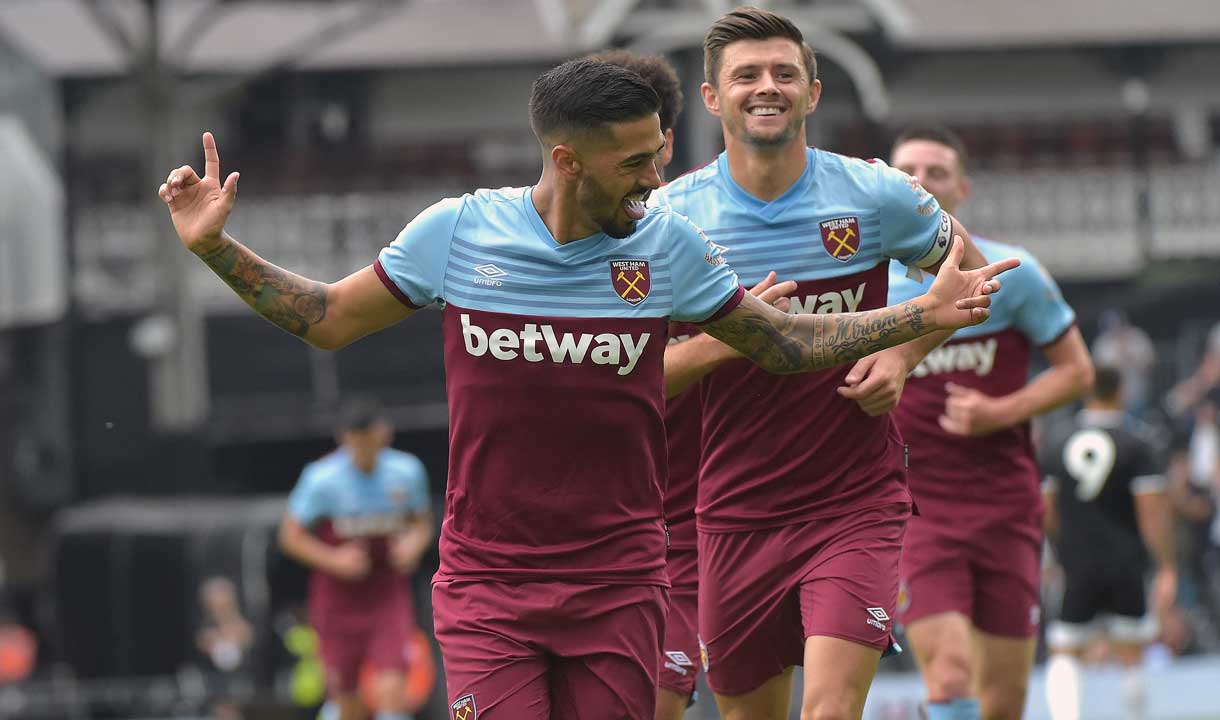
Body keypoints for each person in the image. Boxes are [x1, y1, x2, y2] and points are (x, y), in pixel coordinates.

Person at [157, 57, 1013, 719]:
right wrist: (214, 250)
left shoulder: (666, 247)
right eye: (635, 163)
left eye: (660, 156)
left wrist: (913, 323)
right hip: (489, 585)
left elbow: (783, 344)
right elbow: (330, 316)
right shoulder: (458, 232)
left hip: (621, 580)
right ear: (568, 161)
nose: (654, 179)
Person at [653, 9, 1007, 720]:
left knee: (830, 711)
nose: (767, 87)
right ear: (713, 98)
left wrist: (902, 356)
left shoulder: (873, 194)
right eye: (746, 75)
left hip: (853, 501)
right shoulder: (667, 221)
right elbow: (635, 376)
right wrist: (733, 335)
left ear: (812, 94)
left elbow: (968, 278)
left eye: (785, 73)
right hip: (730, 511)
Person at [884, 125, 1094, 720]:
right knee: (949, 675)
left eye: (937, 172)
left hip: (1006, 505)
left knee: (1002, 702)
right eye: (907, 173)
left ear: (962, 189)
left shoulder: (1013, 272)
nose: (921, 183)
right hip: (916, 512)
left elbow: (1077, 373)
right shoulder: (868, 286)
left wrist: (1001, 412)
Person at [278, 400, 433, 720]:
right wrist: (334, 559)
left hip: (386, 594)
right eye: (356, 439)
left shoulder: (406, 472)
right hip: (337, 600)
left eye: (369, 438)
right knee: (347, 701)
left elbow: (423, 524)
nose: (363, 448)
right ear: (344, 438)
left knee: (391, 689)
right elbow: (290, 536)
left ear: (383, 434)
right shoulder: (322, 479)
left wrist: (412, 547)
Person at [1040, 367, 1176, 720]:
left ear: (1086, 389)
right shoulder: (1137, 443)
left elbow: (1046, 510)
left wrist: (1058, 551)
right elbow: (1152, 514)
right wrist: (1166, 566)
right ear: (1122, 391)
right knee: (1132, 652)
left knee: (1065, 650)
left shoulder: (1058, 441)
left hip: (1076, 563)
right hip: (1125, 563)